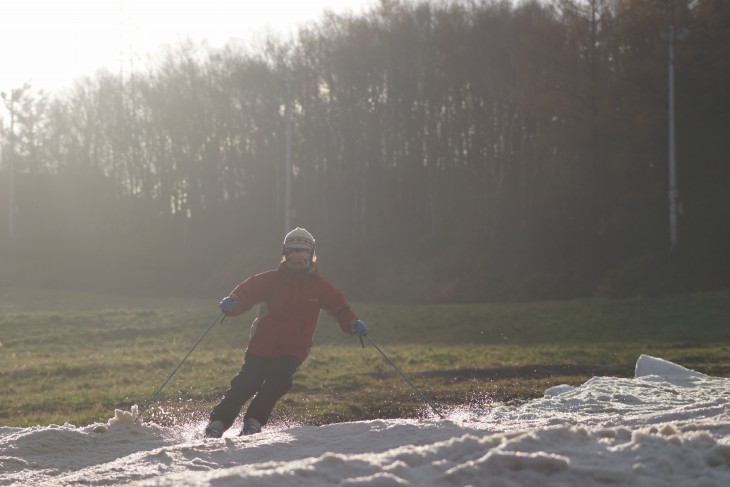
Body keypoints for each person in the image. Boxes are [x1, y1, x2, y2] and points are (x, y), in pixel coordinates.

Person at [204, 227, 368, 438]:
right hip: (262, 344)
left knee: (280, 379)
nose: (298, 256)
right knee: (247, 382)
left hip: (294, 348)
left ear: (311, 255)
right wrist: (232, 303)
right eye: (293, 251)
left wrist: (353, 323)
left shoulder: (321, 287)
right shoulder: (270, 280)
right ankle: (218, 422)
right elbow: (246, 293)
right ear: (285, 253)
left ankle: (253, 422)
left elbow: (340, 309)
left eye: (303, 252)